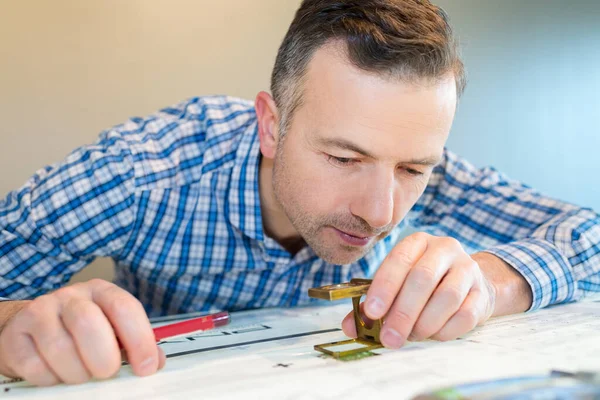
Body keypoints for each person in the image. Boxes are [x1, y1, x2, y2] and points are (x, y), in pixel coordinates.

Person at [1, 0, 599, 387]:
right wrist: (17, 330)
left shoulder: (431, 172)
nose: (380, 212)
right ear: (271, 125)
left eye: (413, 170)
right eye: (344, 157)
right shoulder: (140, 174)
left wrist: (494, 282)